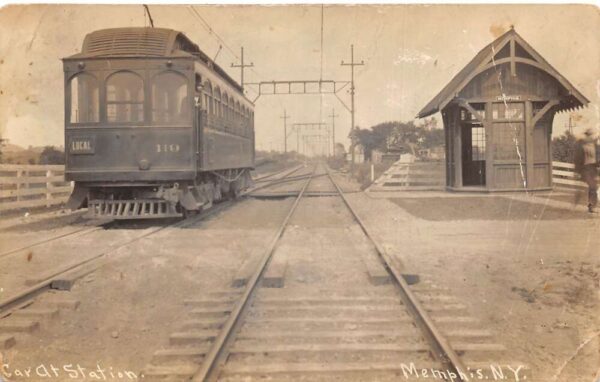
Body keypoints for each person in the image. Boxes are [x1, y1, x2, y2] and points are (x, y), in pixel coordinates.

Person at [574, 128, 599, 213]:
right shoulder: (581, 146)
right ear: (586, 136)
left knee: (593, 187)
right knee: (593, 186)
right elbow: (577, 160)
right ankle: (592, 206)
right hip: (585, 169)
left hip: (593, 169)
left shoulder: (594, 146)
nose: (590, 137)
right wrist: (577, 171)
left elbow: (596, 159)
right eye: (588, 135)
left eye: (591, 135)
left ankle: (591, 206)